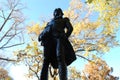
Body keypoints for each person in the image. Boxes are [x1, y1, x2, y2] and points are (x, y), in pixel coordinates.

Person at [38, 8, 76, 80]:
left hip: (59, 39)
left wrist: (64, 37)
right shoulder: (49, 23)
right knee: (46, 61)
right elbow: (45, 31)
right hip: (49, 42)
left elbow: (70, 28)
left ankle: (63, 78)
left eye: (57, 12)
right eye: (55, 12)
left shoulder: (64, 20)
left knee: (60, 58)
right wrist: (40, 36)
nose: (56, 13)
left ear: (60, 13)